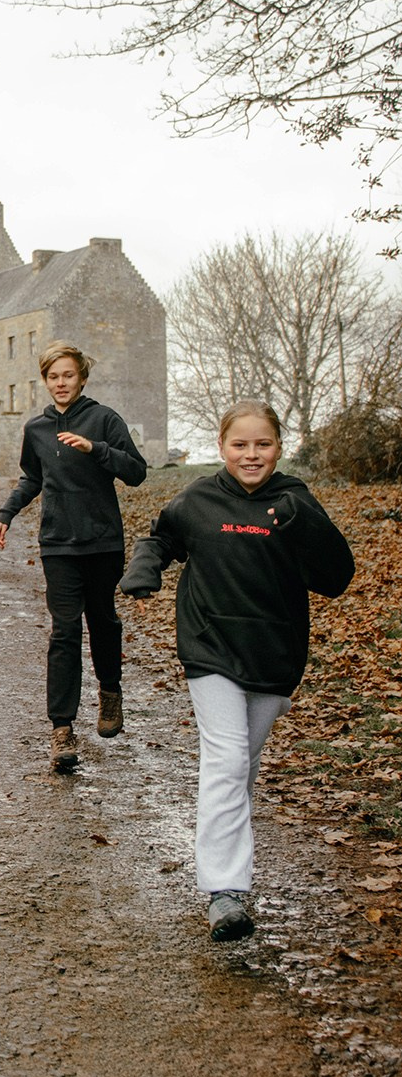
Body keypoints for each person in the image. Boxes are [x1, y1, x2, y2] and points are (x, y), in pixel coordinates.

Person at [119, 400, 354, 942]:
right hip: (210, 647)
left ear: (279, 446)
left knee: (240, 767)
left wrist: (307, 526)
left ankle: (224, 869)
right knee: (226, 758)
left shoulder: (295, 500)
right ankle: (225, 891)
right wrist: (144, 567)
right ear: (222, 447)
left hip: (275, 652)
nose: (251, 455)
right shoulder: (197, 499)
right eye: (239, 445)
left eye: (262, 444)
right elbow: (161, 537)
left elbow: (337, 577)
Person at [0, 342, 147, 773]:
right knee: (63, 631)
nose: (61, 383)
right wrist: (6, 513)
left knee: (102, 620)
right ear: (45, 380)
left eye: (68, 375)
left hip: (102, 541)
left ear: (82, 378)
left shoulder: (104, 419)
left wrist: (95, 449)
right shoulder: (37, 429)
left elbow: (136, 471)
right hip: (58, 543)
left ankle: (110, 693)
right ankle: (61, 728)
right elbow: (32, 478)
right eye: (53, 377)